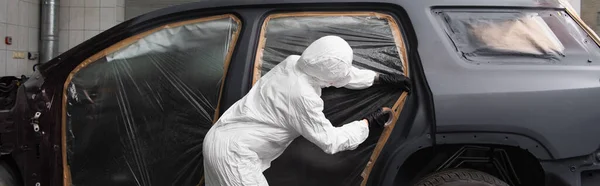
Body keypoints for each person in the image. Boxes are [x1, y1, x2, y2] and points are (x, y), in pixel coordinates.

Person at [203, 35, 411, 186]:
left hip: (221, 138)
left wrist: (378, 78)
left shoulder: (295, 62)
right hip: (233, 156)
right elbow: (331, 141)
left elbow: (339, 74)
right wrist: (367, 124)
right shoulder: (302, 97)